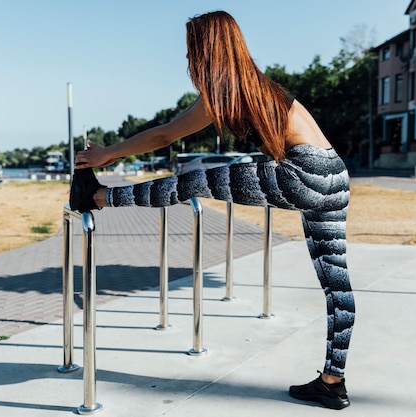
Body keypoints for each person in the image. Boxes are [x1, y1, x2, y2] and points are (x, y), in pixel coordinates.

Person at [71, 10, 355, 410]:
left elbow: (165, 133)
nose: (188, 62)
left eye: (192, 52)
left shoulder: (231, 90)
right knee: (336, 285)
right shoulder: (256, 86)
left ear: (209, 51)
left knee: (196, 181)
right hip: (336, 176)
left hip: (303, 172)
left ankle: (98, 198)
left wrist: (107, 154)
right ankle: (332, 380)